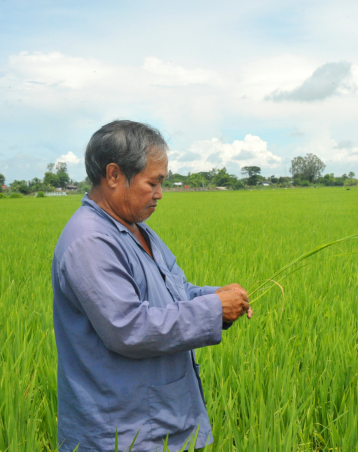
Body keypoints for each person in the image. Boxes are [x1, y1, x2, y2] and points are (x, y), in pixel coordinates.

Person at [52, 120, 252, 451]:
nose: (160, 194)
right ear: (114, 175)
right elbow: (128, 327)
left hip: (159, 421)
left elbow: (177, 292)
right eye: (153, 183)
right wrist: (213, 310)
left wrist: (216, 297)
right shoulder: (89, 241)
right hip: (120, 430)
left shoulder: (138, 229)